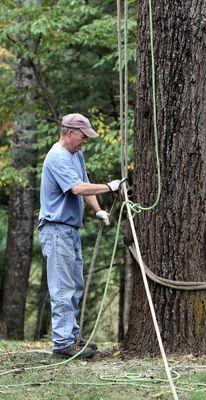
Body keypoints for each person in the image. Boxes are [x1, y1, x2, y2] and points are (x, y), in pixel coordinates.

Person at [38, 113, 120, 359]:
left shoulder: (76, 155)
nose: (86, 140)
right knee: (62, 287)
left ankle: (71, 336)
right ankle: (63, 343)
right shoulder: (58, 157)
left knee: (74, 284)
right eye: (83, 136)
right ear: (69, 132)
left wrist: (99, 210)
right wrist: (110, 186)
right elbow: (76, 188)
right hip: (55, 230)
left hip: (69, 230)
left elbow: (83, 184)